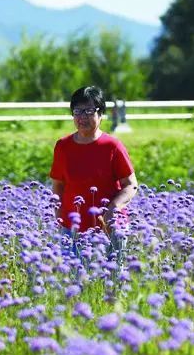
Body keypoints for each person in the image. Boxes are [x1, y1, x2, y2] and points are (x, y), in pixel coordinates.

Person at [49, 85, 137, 264]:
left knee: (110, 285)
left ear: (101, 113)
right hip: (71, 230)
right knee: (74, 285)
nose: (82, 117)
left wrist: (113, 208)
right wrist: (58, 218)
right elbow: (58, 186)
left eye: (89, 111)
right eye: (77, 111)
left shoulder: (113, 146)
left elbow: (130, 184)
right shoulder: (63, 147)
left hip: (108, 229)